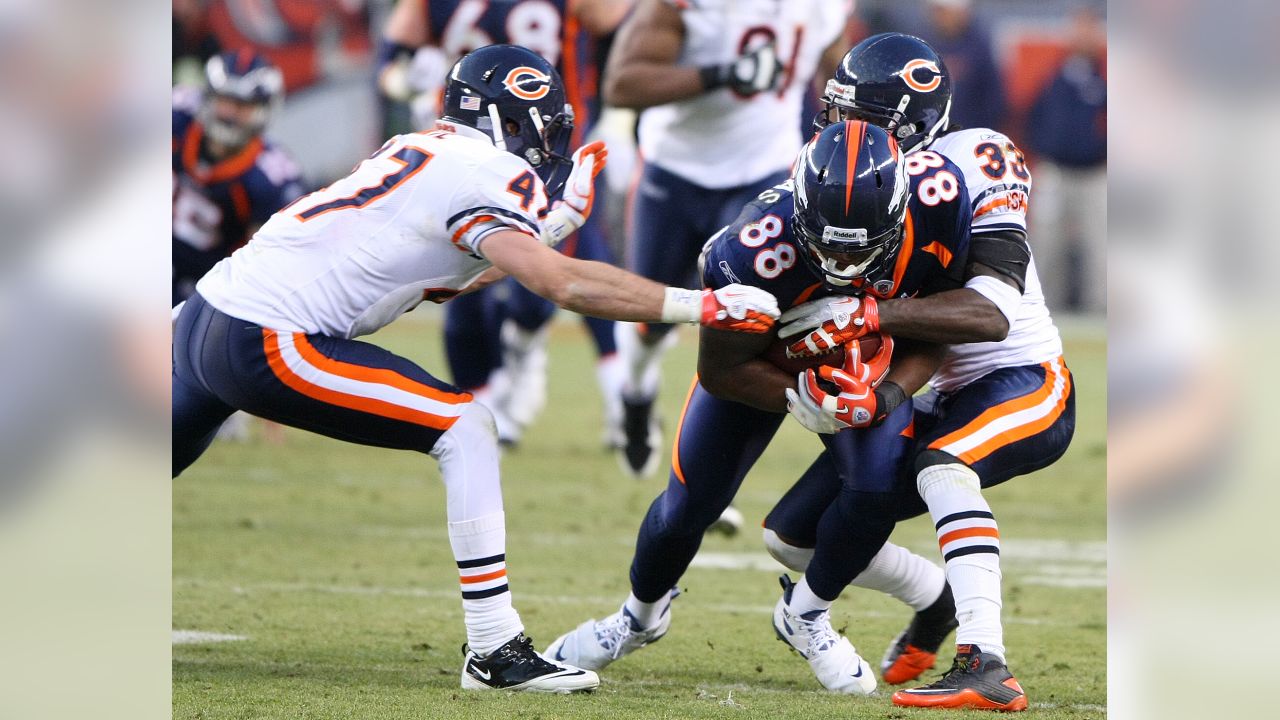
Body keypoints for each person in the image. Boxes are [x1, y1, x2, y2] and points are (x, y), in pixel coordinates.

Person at [172, 44, 780, 693]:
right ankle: (494, 648)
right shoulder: (486, 170)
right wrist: (701, 304)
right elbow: (565, 286)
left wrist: (552, 227)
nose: (542, 144)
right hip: (266, 336)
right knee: (466, 427)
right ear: (506, 122)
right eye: (535, 126)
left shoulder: (422, 147)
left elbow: (444, 278)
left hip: (200, 316)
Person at [544, 120, 973, 696]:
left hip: (862, 368)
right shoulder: (751, 249)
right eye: (825, 244)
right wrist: (801, 401)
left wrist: (886, 395)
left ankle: (808, 613)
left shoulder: (941, 207)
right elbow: (720, 372)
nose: (841, 264)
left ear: (899, 214)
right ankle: (637, 618)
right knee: (688, 507)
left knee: (874, 488)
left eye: (862, 248)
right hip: (764, 363)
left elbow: (934, 334)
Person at [763, 32, 1076, 710]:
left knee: (943, 466)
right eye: (838, 111)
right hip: (937, 388)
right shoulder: (838, 169)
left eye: (859, 116)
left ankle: (984, 661)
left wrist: (871, 321)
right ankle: (932, 599)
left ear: (909, 122)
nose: (842, 128)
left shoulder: (972, 159)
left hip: (1023, 378)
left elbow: (993, 309)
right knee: (793, 536)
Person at [603, 0, 855, 479]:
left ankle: (706, 471)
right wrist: (720, 75)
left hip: (762, 174)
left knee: (747, 323)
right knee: (649, 314)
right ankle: (635, 393)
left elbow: (841, 80)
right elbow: (621, 85)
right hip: (674, 171)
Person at [376, 0, 635, 447]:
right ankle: (488, 407)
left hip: (545, 147)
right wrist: (408, 80)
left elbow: (614, 19)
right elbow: (392, 60)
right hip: (472, 147)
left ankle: (577, 375)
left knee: (550, 272)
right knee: (462, 270)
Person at [172, 50, 305, 304]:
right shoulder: (178, 117)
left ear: (264, 109)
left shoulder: (271, 177)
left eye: (242, 106)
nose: (230, 114)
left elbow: (271, 266)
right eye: (225, 100)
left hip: (200, 289)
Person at [1027, 5, 1107, 313]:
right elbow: (1032, 114)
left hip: (1096, 173)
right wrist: (1043, 148)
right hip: (1055, 170)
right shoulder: (1054, 73)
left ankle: (1099, 315)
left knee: (1100, 249)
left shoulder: (1105, 75)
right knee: (1046, 246)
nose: (1082, 35)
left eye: (1089, 28)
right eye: (1078, 27)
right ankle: (1044, 312)